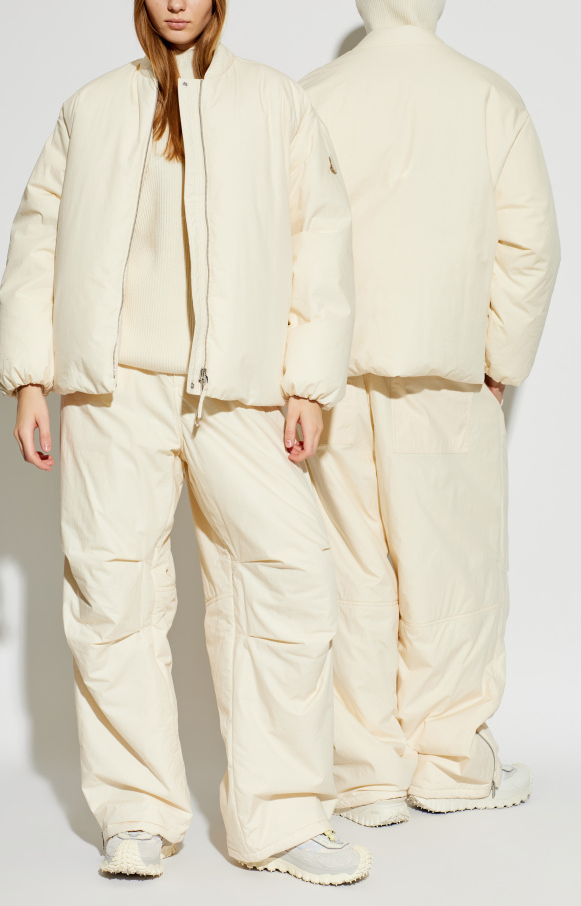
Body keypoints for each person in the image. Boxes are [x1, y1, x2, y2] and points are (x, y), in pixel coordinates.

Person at [0, 0, 372, 885]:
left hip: (236, 391)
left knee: (289, 580)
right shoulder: (92, 106)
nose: (176, 2)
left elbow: (320, 239)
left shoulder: (275, 102)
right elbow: (37, 238)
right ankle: (136, 812)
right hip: (113, 388)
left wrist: (309, 382)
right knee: (112, 596)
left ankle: (280, 818)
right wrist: (30, 378)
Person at [300, 0, 560, 826]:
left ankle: (365, 775)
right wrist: (500, 358)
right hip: (446, 375)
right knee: (452, 572)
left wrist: (296, 367)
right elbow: (530, 246)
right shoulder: (488, 95)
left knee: (351, 573)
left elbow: (283, 236)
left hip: (333, 376)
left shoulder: (314, 93)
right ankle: (447, 763)